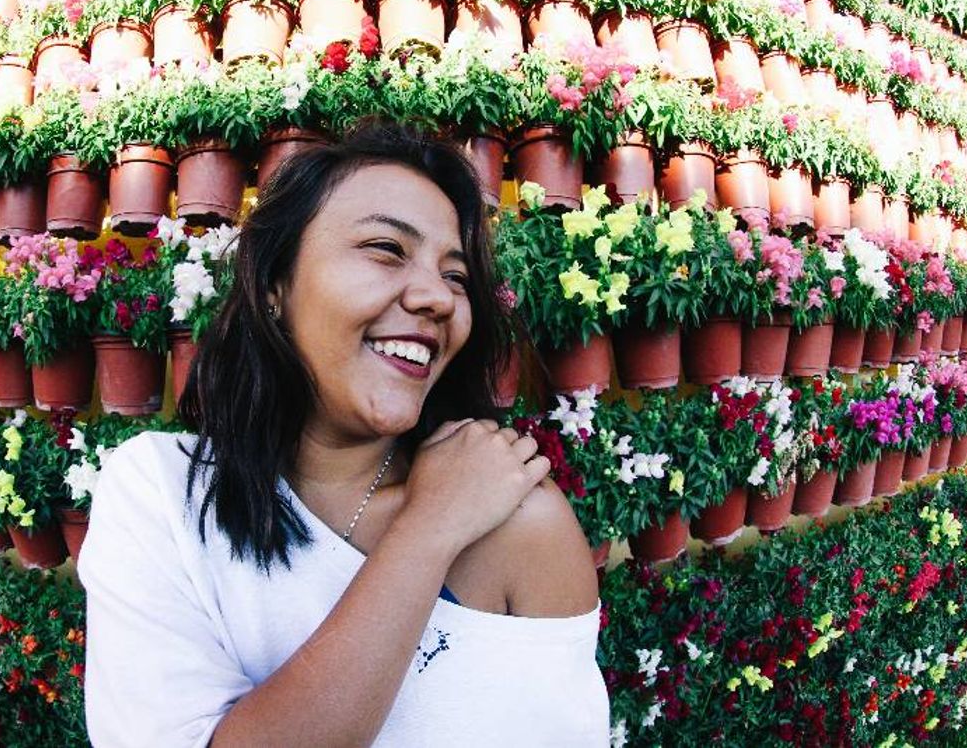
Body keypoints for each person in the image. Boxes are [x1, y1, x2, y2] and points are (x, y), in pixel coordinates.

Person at [78, 121, 608, 747]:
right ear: (275, 285)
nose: (437, 297)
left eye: (457, 276)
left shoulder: (521, 524)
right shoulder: (163, 492)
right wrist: (428, 531)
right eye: (386, 249)